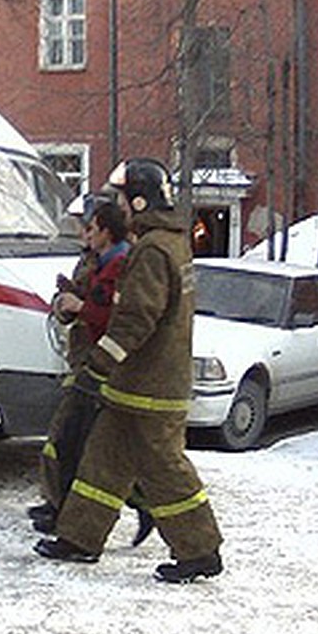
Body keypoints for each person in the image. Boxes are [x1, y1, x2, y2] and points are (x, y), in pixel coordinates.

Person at [35, 158, 224, 583]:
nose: (117, 207)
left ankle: (200, 550)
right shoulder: (166, 243)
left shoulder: (155, 249)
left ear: (140, 200)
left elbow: (137, 318)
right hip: (135, 386)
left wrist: (99, 363)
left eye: (121, 199)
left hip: (152, 389)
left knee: (164, 468)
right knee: (102, 462)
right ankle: (80, 539)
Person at [30, 196, 133, 534]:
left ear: (105, 229)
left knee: (73, 440)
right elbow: (85, 304)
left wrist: (79, 304)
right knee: (67, 440)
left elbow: (112, 316)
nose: (82, 233)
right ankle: (57, 504)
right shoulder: (95, 260)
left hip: (100, 365)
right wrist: (68, 299)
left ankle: (135, 502)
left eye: (88, 227)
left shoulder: (121, 263)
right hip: (84, 359)